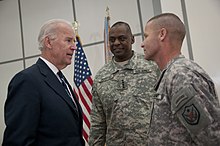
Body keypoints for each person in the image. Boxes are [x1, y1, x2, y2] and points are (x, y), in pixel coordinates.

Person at [2, 19, 85, 146]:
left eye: (74, 41)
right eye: (68, 40)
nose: (74, 47)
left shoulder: (61, 80)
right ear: (48, 42)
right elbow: (18, 141)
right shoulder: (27, 81)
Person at [141, 13, 220, 145]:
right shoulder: (171, 73)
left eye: (146, 36)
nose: (142, 44)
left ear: (162, 34)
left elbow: (210, 138)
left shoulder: (180, 76)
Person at [88, 21, 160, 146]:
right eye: (112, 40)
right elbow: (98, 123)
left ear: (132, 39)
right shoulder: (101, 77)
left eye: (122, 38)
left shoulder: (152, 67)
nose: (116, 43)